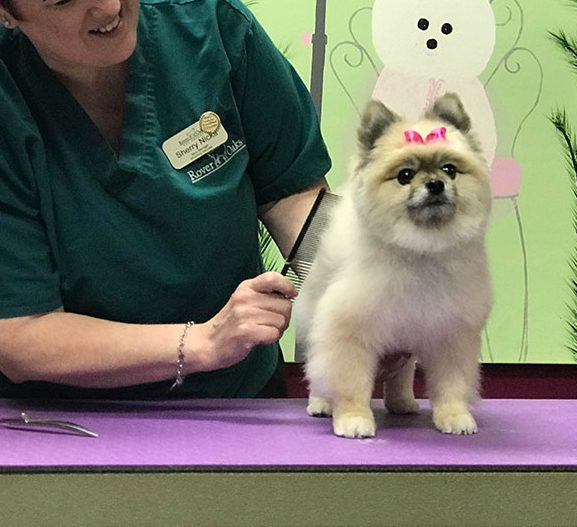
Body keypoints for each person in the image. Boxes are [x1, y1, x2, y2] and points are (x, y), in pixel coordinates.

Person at [0, 0, 332, 399]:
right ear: (6, 13)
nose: (108, 8)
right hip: (63, 416)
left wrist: (355, 288)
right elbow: (20, 333)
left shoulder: (207, 23)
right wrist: (205, 343)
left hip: (238, 398)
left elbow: (292, 192)